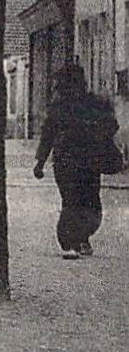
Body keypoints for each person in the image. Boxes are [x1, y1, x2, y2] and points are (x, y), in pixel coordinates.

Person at [34, 63, 121, 259]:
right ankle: (73, 241)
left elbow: (111, 126)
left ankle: (80, 238)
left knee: (89, 201)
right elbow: (48, 134)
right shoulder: (60, 107)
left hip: (88, 161)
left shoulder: (94, 104)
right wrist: (39, 162)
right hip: (69, 162)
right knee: (75, 200)